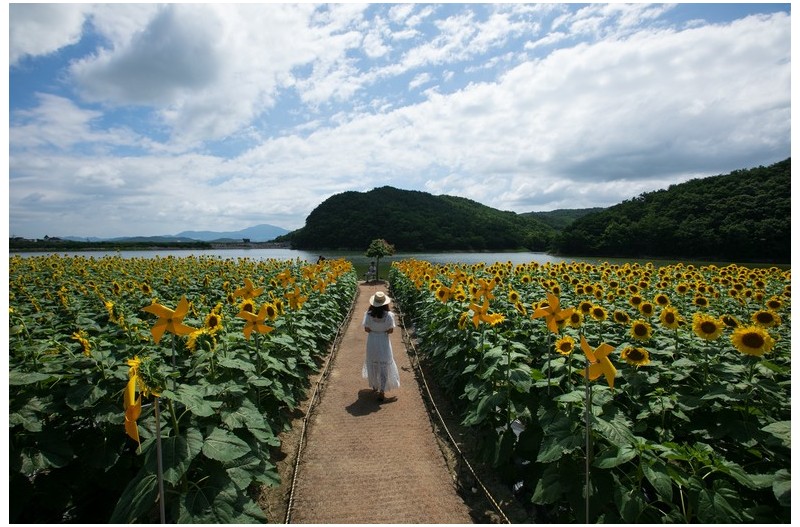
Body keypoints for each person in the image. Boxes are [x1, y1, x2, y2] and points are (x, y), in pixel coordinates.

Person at [362, 291, 400, 402]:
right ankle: (382, 391)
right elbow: (391, 331)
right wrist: (382, 330)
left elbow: (366, 329)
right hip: (383, 341)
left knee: (373, 362)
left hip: (372, 341)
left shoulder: (368, 314)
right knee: (384, 365)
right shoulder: (389, 316)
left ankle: (374, 385)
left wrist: (375, 329)